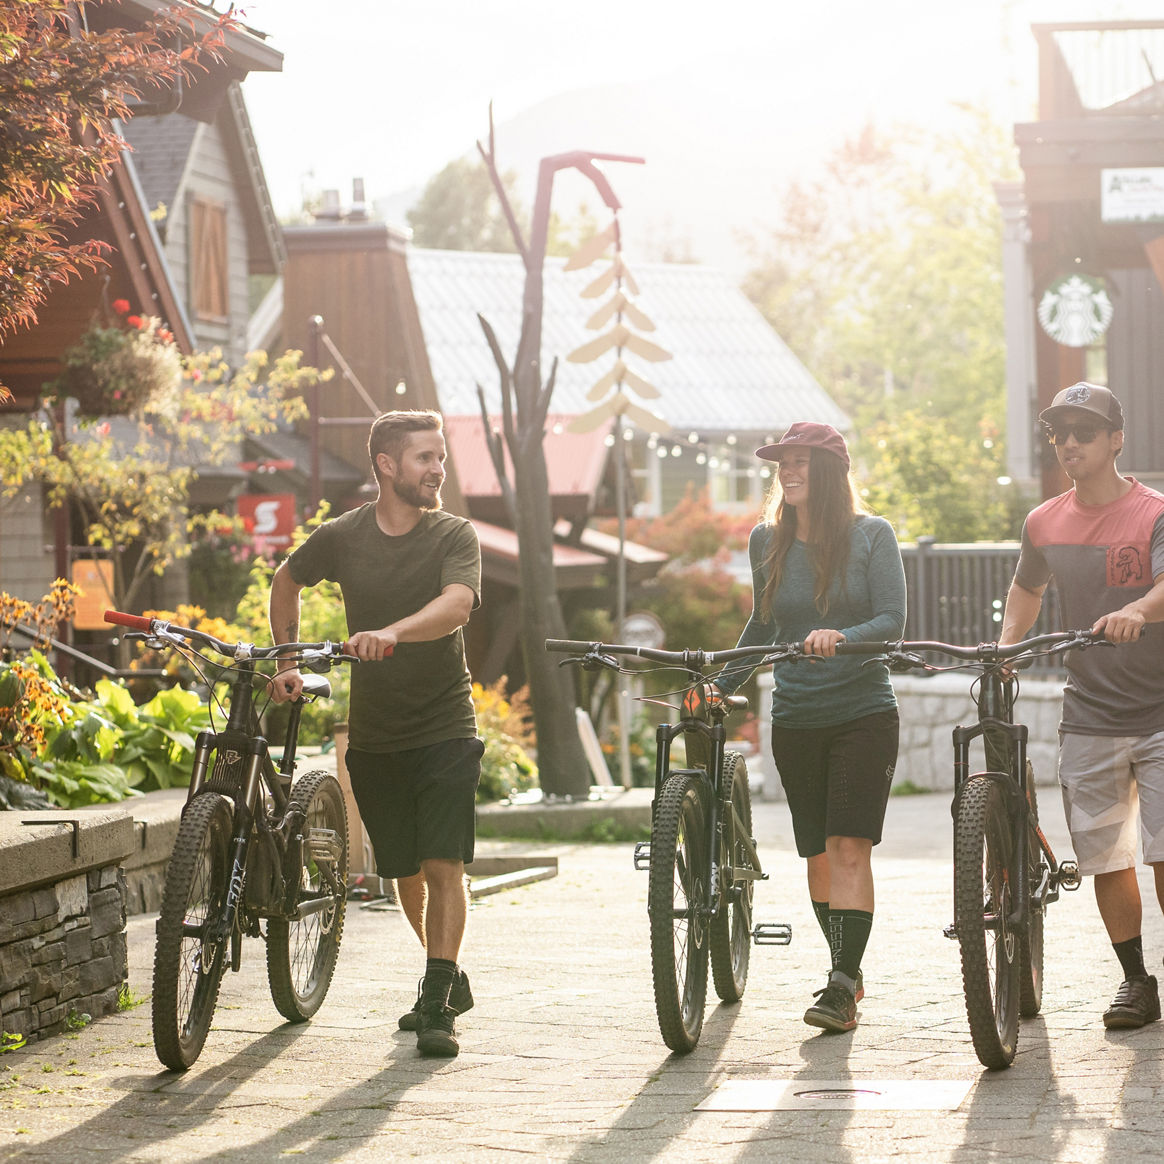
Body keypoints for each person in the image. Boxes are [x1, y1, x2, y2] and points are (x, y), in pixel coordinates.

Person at [269, 409, 483, 1058]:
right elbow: (286, 580)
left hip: (446, 723)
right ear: (387, 466)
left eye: (440, 457)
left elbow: (457, 606)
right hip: (377, 734)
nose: (437, 468)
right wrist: (286, 663)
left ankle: (437, 1003)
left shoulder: (455, 534)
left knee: (444, 862)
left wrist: (391, 631)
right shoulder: (343, 536)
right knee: (404, 874)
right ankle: (447, 976)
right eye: (424, 457)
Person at [714, 421, 906, 1033]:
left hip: (862, 712)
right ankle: (844, 968)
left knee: (850, 846)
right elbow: (763, 627)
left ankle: (842, 985)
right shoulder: (767, 540)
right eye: (783, 464)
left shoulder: (873, 536)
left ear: (830, 473)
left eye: (801, 463)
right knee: (817, 857)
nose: (788, 472)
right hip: (796, 717)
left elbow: (893, 620)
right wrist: (718, 687)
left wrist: (843, 636)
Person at [999, 382, 1164, 1030]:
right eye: (1058, 432)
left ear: (1115, 440)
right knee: (1105, 857)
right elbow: (1025, 586)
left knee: (1163, 853)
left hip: (1159, 708)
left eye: (1083, 431)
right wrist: (1006, 646)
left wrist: (1136, 609)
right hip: (1089, 713)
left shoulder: (1153, 513)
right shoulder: (1043, 521)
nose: (1068, 442)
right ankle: (1135, 981)